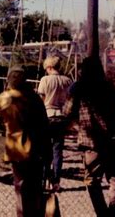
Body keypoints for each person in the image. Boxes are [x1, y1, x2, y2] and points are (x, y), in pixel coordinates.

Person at [0, 65, 51, 217]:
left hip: (18, 149)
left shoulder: (6, 97)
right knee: (36, 189)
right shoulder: (35, 97)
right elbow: (44, 124)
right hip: (37, 148)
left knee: (21, 190)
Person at [63, 57, 115, 217]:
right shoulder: (109, 86)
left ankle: (102, 213)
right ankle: (114, 213)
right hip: (113, 138)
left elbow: (67, 112)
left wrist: (77, 125)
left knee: (92, 180)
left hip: (92, 142)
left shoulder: (78, 88)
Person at [37, 55, 72, 191]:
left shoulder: (45, 80)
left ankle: (44, 179)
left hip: (47, 116)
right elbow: (70, 101)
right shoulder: (67, 81)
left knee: (45, 151)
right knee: (58, 150)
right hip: (61, 117)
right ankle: (56, 181)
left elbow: (41, 100)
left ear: (50, 67)